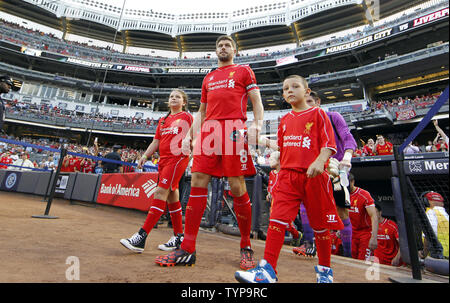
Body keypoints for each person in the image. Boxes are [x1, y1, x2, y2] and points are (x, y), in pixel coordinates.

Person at [156, 35, 264, 270]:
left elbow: (256, 99)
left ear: (234, 49)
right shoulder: (209, 77)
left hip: (234, 129)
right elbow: (202, 111)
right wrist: (188, 136)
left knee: (237, 185)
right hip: (209, 132)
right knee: (197, 180)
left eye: (227, 45)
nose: (223, 48)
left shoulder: (244, 71)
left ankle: (246, 245)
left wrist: (257, 124)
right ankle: (188, 248)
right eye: (219, 46)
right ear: (215, 51)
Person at [235, 75, 343, 283]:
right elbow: (284, 147)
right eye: (286, 89)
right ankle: (267, 270)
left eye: (295, 86)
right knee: (276, 219)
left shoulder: (319, 114)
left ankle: (325, 272)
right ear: (284, 95)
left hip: (314, 177)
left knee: (320, 226)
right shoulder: (284, 120)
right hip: (288, 176)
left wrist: (320, 162)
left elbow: (329, 145)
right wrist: (265, 144)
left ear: (307, 91)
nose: (290, 90)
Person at [120, 89, 193, 253]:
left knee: (160, 193)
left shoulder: (186, 117)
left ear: (184, 102)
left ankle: (141, 237)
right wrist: (145, 155)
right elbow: (156, 141)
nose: (173, 98)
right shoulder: (163, 120)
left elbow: (193, 136)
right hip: (164, 160)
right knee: (172, 197)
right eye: (171, 96)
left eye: (178, 97)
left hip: (177, 158)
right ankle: (178, 237)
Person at [293, 90, 356, 258]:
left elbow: (348, 138)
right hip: (314, 171)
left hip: (336, 171)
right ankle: (308, 245)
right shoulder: (302, 123)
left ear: (318, 102)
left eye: (309, 102)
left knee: (341, 212)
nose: (306, 107)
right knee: (304, 206)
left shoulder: (333, 117)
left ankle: (348, 255)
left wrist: (347, 158)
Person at [266, 151, 302, 246]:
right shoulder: (272, 173)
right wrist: (269, 193)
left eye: (272, 159)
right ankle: (294, 235)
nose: (269, 161)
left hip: (282, 199)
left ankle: (296, 234)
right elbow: (271, 184)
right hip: (273, 199)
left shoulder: (284, 173)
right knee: (274, 219)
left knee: (282, 221)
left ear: (278, 161)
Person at [348, 173, 378, 260]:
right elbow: (342, 213)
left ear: (352, 182)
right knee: (350, 259)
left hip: (365, 233)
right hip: (351, 232)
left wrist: (374, 237)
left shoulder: (364, 195)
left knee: (363, 260)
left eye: (347, 183)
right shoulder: (343, 194)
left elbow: (374, 216)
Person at [422, 191, 449, 258]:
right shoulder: (446, 215)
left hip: (436, 255)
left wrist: (424, 254)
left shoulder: (430, 212)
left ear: (426, 202)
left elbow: (429, 235)